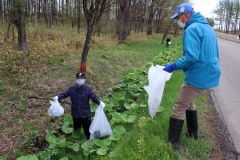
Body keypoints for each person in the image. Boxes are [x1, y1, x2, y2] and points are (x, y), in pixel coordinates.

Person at [163, 3, 221, 148]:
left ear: (185, 15)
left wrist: (173, 66)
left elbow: (191, 57)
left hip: (198, 75)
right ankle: (192, 133)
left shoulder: (192, 29)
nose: (178, 21)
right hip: (210, 73)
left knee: (180, 104)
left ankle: (173, 142)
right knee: (189, 101)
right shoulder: (208, 28)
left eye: (178, 18)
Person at [56, 72, 105, 139]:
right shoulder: (71, 89)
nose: (80, 80)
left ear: (84, 79)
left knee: (87, 130)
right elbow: (64, 95)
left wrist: (100, 102)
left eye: (82, 78)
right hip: (75, 114)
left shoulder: (88, 88)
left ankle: (89, 141)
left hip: (85, 114)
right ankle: (77, 140)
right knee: (77, 130)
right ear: (76, 79)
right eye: (78, 78)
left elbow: (93, 97)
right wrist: (57, 98)